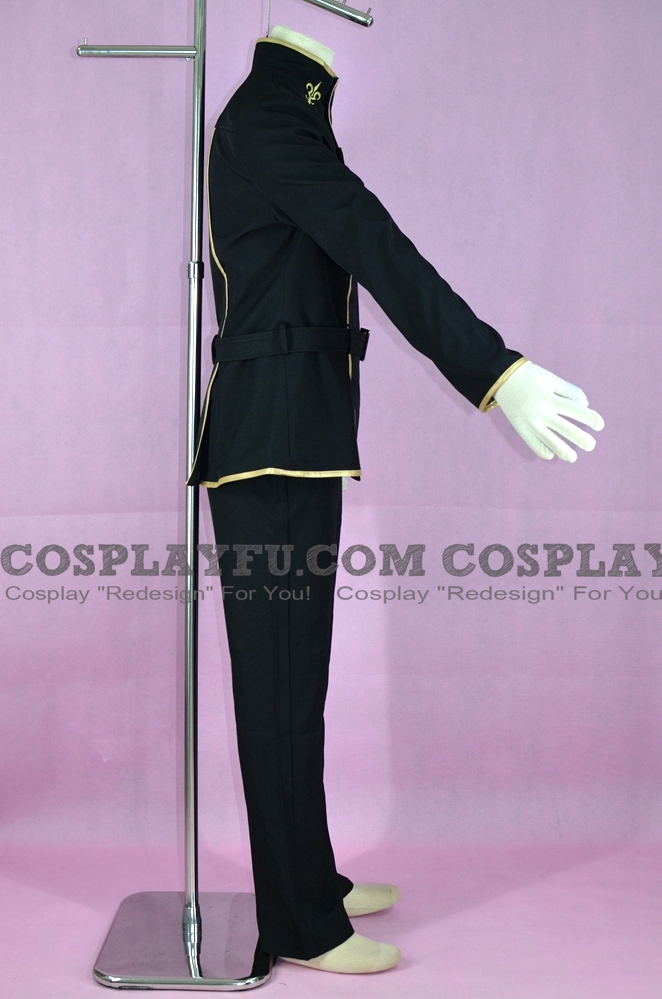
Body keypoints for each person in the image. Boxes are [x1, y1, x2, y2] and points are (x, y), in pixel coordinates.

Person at [188, 24, 604, 975]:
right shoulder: (271, 122)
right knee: (280, 690)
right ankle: (300, 924)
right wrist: (495, 370)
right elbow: (375, 244)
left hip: (293, 441)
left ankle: (309, 880)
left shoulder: (285, 120)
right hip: (268, 448)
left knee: (297, 685)